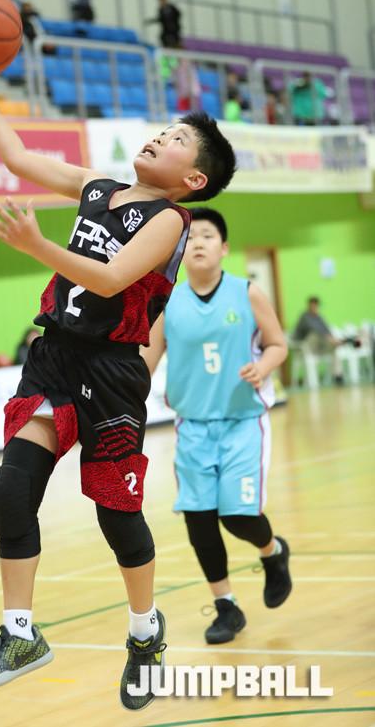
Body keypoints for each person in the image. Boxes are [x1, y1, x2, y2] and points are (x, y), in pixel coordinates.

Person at [0, 63, 236, 708]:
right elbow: (19, 158)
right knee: (12, 487)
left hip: (112, 372)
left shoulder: (170, 221)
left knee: (117, 516)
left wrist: (35, 245)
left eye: (176, 139)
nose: (159, 137)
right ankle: (20, 633)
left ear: (194, 179)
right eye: (162, 130)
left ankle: (145, 634)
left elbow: (109, 279)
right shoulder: (97, 186)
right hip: (55, 356)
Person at [142, 208, 292, 645]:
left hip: (242, 422)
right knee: (199, 518)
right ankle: (226, 606)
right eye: (190, 238)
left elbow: (278, 344)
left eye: (207, 236)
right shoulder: (169, 304)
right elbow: (143, 364)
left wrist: (263, 366)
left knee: (239, 517)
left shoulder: (247, 293)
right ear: (180, 251)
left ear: (224, 248)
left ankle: (272, 551)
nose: (198, 243)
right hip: (192, 426)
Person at [293, 296, 343, 382]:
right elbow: (312, 328)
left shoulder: (319, 317)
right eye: (312, 305)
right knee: (314, 335)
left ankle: (337, 375)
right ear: (308, 305)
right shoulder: (304, 316)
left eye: (315, 306)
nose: (314, 307)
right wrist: (328, 338)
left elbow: (327, 330)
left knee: (334, 348)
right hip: (306, 347)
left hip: (319, 346)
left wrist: (333, 339)